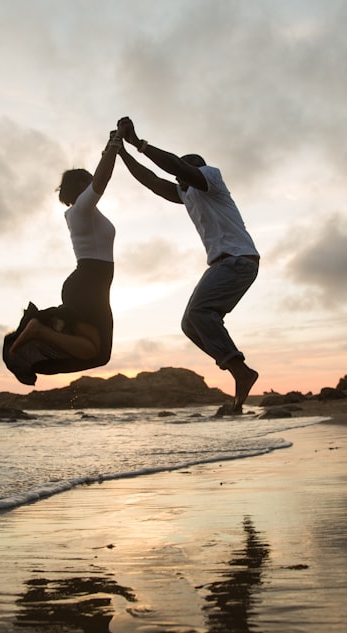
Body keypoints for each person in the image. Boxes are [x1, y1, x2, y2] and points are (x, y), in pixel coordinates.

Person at [115, 116, 259, 413]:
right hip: (226, 264)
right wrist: (123, 154)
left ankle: (241, 372)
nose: (182, 176)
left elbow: (177, 168)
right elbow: (155, 183)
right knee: (190, 324)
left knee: (199, 312)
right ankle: (238, 369)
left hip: (237, 260)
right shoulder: (188, 193)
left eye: (187, 170)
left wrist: (139, 143)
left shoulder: (211, 179)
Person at [3, 131, 122, 385]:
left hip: (90, 285)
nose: (93, 181)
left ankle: (41, 331)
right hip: (89, 284)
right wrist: (115, 144)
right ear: (82, 185)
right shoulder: (81, 209)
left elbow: (99, 174)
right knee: (97, 353)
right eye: (88, 180)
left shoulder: (83, 213)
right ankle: (38, 329)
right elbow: (103, 178)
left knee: (99, 354)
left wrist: (109, 146)